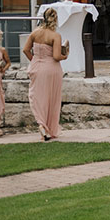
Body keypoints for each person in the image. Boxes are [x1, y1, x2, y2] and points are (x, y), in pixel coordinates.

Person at [23, 8, 68, 140]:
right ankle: (47, 126)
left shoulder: (35, 33)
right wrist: (65, 56)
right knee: (51, 98)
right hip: (51, 69)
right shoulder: (55, 36)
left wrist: (35, 60)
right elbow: (56, 56)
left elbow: (25, 50)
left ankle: (42, 125)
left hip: (37, 67)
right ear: (55, 19)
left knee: (37, 97)